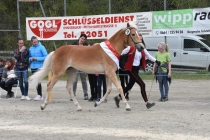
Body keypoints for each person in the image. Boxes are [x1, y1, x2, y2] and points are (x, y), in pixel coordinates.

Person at [114, 35, 160, 109]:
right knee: (142, 84)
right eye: (139, 39)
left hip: (136, 69)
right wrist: (122, 64)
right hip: (131, 69)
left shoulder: (142, 49)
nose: (140, 41)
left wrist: (156, 61)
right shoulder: (130, 48)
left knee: (129, 86)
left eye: (141, 40)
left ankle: (118, 97)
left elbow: (148, 56)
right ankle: (147, 103)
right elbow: (121, 55)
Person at [29, 36, 48, 101]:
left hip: (39, 66)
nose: (35, 43)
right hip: (32, 66)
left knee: (38, 81)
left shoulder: (42, 47)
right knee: (35, 81)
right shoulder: (30, 48)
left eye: (36, 41)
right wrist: (30, 59)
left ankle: (40, 95)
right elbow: (29, 57)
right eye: (34, 42)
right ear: (32, 42)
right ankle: (38, 94)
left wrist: (37, 58)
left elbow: (46, 56)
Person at [70, 34, 89, 101]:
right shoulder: (74, 44)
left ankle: (85, 93)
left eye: (84, 39)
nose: (82, 40)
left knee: (83, 80)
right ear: (79, 38)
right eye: (81, 38)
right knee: (74, 80)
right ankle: (73, 93)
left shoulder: (86, 46)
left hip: (83, 65)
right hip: (75, 64)